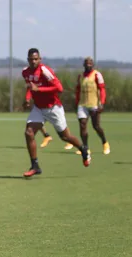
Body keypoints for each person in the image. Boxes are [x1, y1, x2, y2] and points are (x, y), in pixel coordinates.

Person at [21, 48, 91, 177]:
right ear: (28, 60)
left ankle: (83, 149)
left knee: (65, 137)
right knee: (29, 132)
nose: (33, 61)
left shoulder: (44, 71)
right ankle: (35, 166)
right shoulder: (25, 72)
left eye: (36, 59)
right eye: (31, 59)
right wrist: (27, 99)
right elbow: (30, 88)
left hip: (53, 108)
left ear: (40, 59)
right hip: (38, 108)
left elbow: (59, 88)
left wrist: (39, 89)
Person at [63, 57, 110, 155]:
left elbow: (102, 90)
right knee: (82, 125)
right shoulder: (80, 76)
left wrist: (102, 103)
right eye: (87, 63)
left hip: (94, 104)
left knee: (96, 126)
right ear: (84, 65)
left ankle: (105, 142)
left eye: (90, 63)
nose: (88, 65)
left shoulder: (97, 75)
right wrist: (76, 103)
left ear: (93, 65)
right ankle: (85, 148)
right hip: (82, 104)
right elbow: (78, 90)